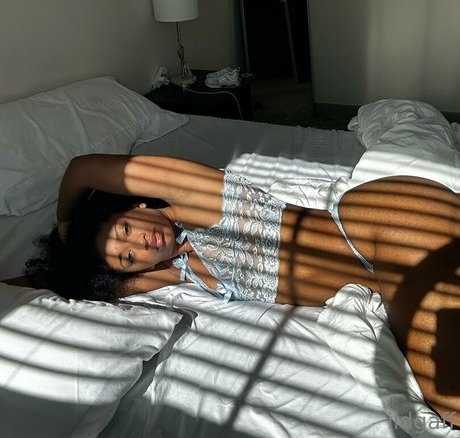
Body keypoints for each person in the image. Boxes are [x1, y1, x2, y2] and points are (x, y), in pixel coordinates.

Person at [4, 153, 460, 422]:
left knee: (445, 398)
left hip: (381, 224)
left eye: (125, 228)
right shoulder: (175, 270)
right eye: (126, 257)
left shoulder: (192, 193)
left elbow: (82, 168)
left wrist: (66, 223)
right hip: (385, 269)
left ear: (137, 205)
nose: (139, 244)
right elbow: (71, 286)